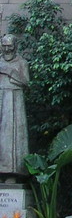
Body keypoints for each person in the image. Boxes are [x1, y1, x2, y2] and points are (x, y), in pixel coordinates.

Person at [0, 32, 29, 177]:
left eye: (9, 46)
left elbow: (26, 82)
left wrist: (11, 73)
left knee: (14, 137)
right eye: (4, 46)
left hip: (15, 100)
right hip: (0, 99)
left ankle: (13, 171)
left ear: (15, 46)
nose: (6, 49)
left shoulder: (21, 62)